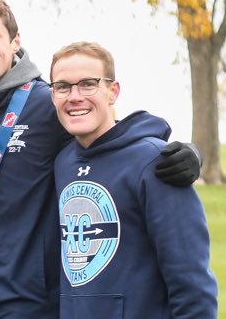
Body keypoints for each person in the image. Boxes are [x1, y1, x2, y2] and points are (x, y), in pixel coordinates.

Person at [0, 0, 202, 317]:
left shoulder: (48, 104)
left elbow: (110, 133)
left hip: (37, 307)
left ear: (15, 42)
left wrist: (188, 152)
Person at [49, 42, 216, 318]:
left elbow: (191, 281)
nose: (75, 96)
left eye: (88, 84)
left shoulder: (155, 162)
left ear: (113, 91)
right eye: (63, 86)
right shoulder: (63, 163)